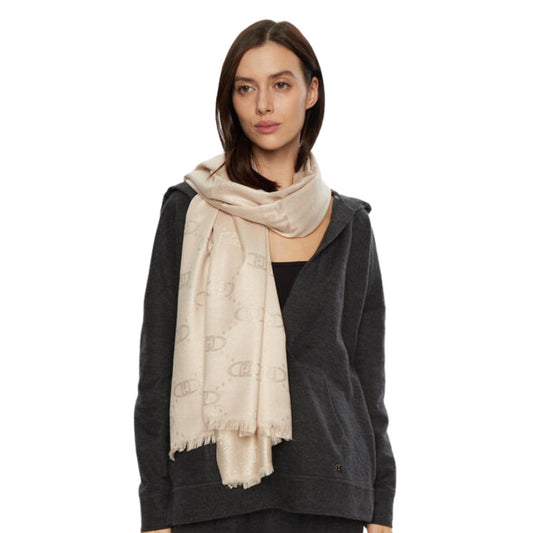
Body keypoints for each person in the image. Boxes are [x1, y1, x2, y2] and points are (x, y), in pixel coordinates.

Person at [134, 19, 396, 533]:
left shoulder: (349, 224)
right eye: (245, 88)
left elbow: (366, 379)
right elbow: (157, 369)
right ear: (230, 100)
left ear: (311, 92)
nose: (264, 105)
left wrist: (381, 501)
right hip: (212, 493)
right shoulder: (189, 210)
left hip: (329, 491)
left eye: (281, 84)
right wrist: (155, 509)